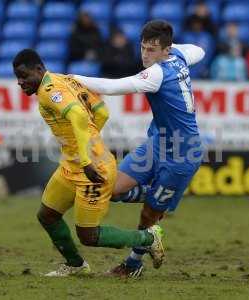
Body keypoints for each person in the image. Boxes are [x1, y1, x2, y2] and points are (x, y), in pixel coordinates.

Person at [12, 49, 164, 277]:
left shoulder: (47, 91)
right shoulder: (68, 80)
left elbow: (80, 117)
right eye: (18, 78)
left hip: (92, 168)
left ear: (39, 69)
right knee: (47, 215)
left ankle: (148, 238)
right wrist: (89, 141)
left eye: (24, 76)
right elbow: (102, 112)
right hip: (72, 165)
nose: (20, 83)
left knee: (88, 236)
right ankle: (76, 266)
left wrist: (86, 158)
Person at [73, 20, 205, 277]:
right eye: (143, 47)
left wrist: (72, 79)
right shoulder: (177, 55)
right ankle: (154, 195)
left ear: (165, 50)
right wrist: (173, 48)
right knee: (110, 189)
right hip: (157, 144)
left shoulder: (156, 74)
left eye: (152, 49)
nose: (145, 54)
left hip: (183, 154)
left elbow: (111, 87)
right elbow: (199, 50)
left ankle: (133, 264)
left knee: (148, 217)